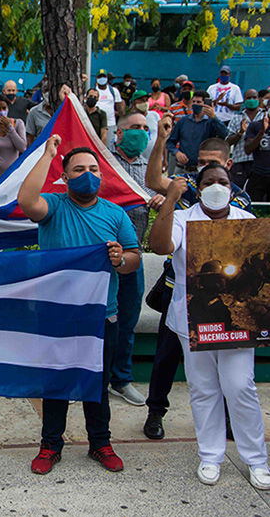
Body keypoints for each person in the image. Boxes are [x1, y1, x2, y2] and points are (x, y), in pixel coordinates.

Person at [17, 137, 140, 475]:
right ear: (65, 177)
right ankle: (50, 445)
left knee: (96, 384)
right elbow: (27, 202)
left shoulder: (115, 214)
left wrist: (120, 259)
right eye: (79, 170)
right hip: (57, 315)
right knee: (55, 383)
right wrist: (48, 155)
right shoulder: (54, 207)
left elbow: (133, 258)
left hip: (102, 316)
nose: (89, 174)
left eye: (94, 169)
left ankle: (100, 443)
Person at [148, 164, 269, 490]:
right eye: (209, 182)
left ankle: (256, 460)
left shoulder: (247, 223)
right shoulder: (184, 220)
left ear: (232, 187)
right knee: (203, 390)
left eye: (223, 182)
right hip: (193, 323)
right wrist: (171, 199)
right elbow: (160, 247)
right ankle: (211, 455)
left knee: (240, 387)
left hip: (235, 326)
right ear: (198, 189)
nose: (217, 186)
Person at [143, 117, 251, 440]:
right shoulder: (188, 190)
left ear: (228, 166)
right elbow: (153, 180)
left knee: (226, 367)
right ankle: (155, 412)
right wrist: (161, 142)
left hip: (219, 297)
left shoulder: (239, 202)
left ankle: (229, 420)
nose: (206, 174)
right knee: (166, 357)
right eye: (201, 165)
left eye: (213, 166)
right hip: (179, 293)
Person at [108, 112, 165, 407]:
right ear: (119, 132)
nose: (140, 133)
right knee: (96, 321)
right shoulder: (105, 163)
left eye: (145, 128)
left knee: (127, 320)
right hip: (103, 257)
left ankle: (121, 379)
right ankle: (90, 379)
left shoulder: (151, 168)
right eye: (135, 128)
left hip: (135, 255)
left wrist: (163, 200)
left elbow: (170, 193)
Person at [166, 91, 228, 172]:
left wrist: (214, 118)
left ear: (205, 104)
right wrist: (177, 153)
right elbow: (170, 142)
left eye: (198, 102)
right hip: (181, 167)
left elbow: (225, 134)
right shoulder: (183, 120)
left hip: (200, 169)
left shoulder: (210, 122)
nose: (195, 104)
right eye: (193, 102)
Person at [227, 89, 266, 189]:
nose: (252, 100)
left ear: (259, 100)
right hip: (240, 161)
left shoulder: (265, 116)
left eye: (254, 98)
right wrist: (240, 133)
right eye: (248, 98)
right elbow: (228, 141)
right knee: (237, 190)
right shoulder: (236, 118)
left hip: (260, 164)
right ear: (244, 101)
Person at [244, 111, 270, 201]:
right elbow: (247, 150)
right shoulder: (255, 125)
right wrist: (261, 132)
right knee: (255, 207)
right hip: (259, 174)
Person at [94, 69, 124, 145]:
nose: (102, 79)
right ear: (97, 78)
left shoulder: (114, 91)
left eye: (103, 76)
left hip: (110, 124)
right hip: (96, 124)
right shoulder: (93, 91)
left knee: (109, 146)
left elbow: (119, 108)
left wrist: (121, 123)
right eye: (100, 77)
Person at [130, 90, 161, 161]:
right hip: (137, 159)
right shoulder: (130, 118)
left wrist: (164, 158)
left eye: (146, 100)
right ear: (134, 103)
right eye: (142, 100)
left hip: (154, 157)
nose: (145, 103)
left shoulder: (154, 115)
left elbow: (161, 135)